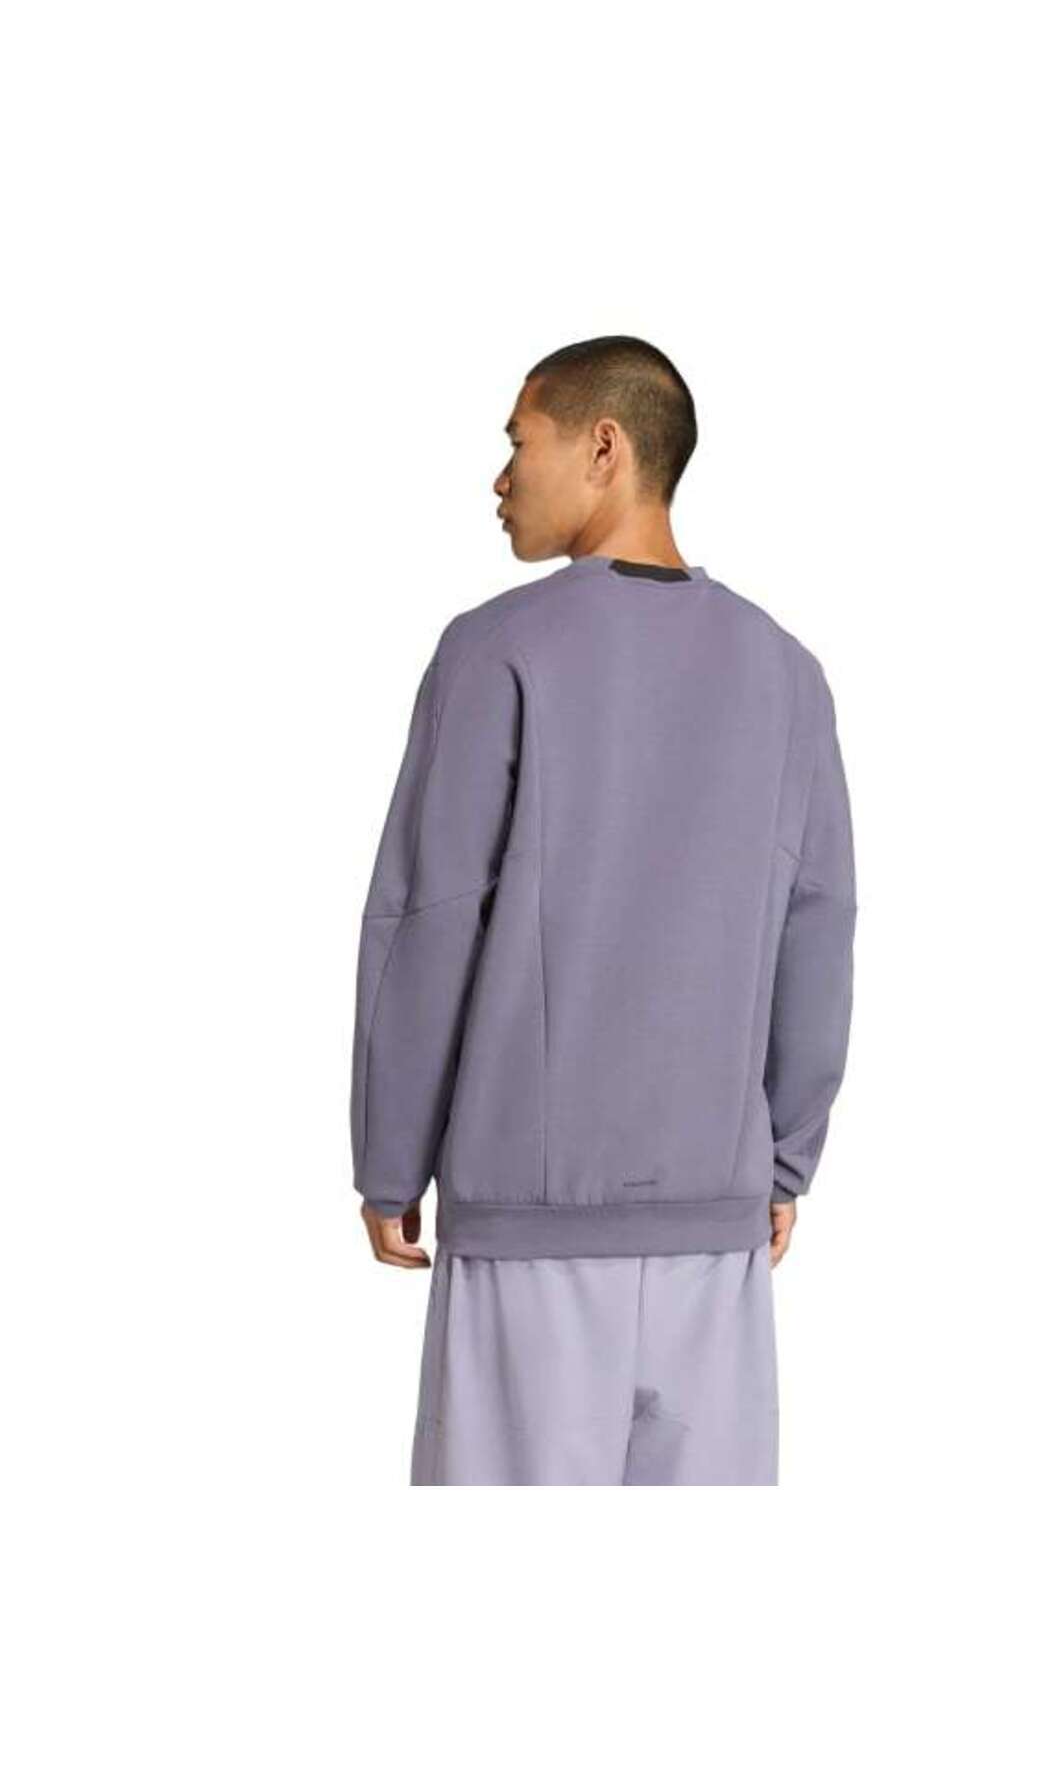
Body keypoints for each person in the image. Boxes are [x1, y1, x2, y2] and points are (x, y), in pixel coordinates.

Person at [349, 335, 857, 1485]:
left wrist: (389, 1161)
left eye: (518, 443)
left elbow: (429, 921)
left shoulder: (495, 651)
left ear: (604, 447)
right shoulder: (787, 671)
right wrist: (783, 1165)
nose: (500, 478)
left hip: (528, 1232)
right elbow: (819, 928)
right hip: (717, 1242)